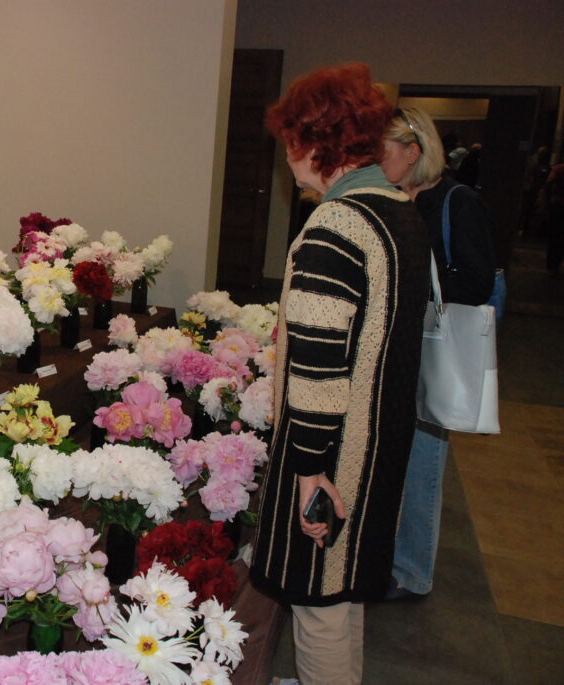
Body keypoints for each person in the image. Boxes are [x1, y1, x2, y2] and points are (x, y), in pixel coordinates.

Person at [250, 63, 428, 685]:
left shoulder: (336, 226)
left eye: (290, 142)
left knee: (318, 601)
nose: (287, 159)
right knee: (344, 593)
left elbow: (319, 369)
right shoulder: (398, 211)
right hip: (380, 441)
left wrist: (308, 472)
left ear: (315, 142)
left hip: (337, 452)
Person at [381, 107, 497, 600]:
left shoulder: (455, 201)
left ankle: (412, 573)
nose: (376, 161)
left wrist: (413, 291)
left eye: (383, 152)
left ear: (413, 153)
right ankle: (388, 558)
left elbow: (476, 282)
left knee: (423, 464)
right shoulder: (393, 199)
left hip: (434, 351)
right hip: (399, 350)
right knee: (396, 461)